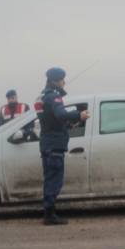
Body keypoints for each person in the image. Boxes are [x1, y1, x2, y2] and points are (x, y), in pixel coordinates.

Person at [35, 67, 91, 225]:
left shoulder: (42, 96)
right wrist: (79, 115)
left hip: (46, 141)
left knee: (48, 179)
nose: (64, 82)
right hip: (55, 143)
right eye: (62, 80)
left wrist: (69, 122)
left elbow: (52, 118)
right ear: (54, 81)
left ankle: (48, 212)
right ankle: (49, 215)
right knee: (55, 179)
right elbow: (60, 114)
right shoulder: (54, 97)